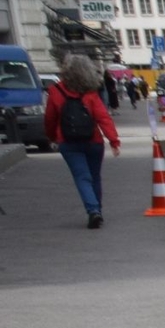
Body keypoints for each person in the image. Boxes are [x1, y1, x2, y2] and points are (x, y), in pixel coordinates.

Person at [44, 55, 120, 229]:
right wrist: (114, 141)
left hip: (68, 142)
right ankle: (97, 209)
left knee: (82, 177)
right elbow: (103, 117)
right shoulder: (90, 93)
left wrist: (51, 137)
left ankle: (93, 210)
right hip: (93, 141)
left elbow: (50, 118)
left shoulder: (55, 91)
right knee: (94, 177)